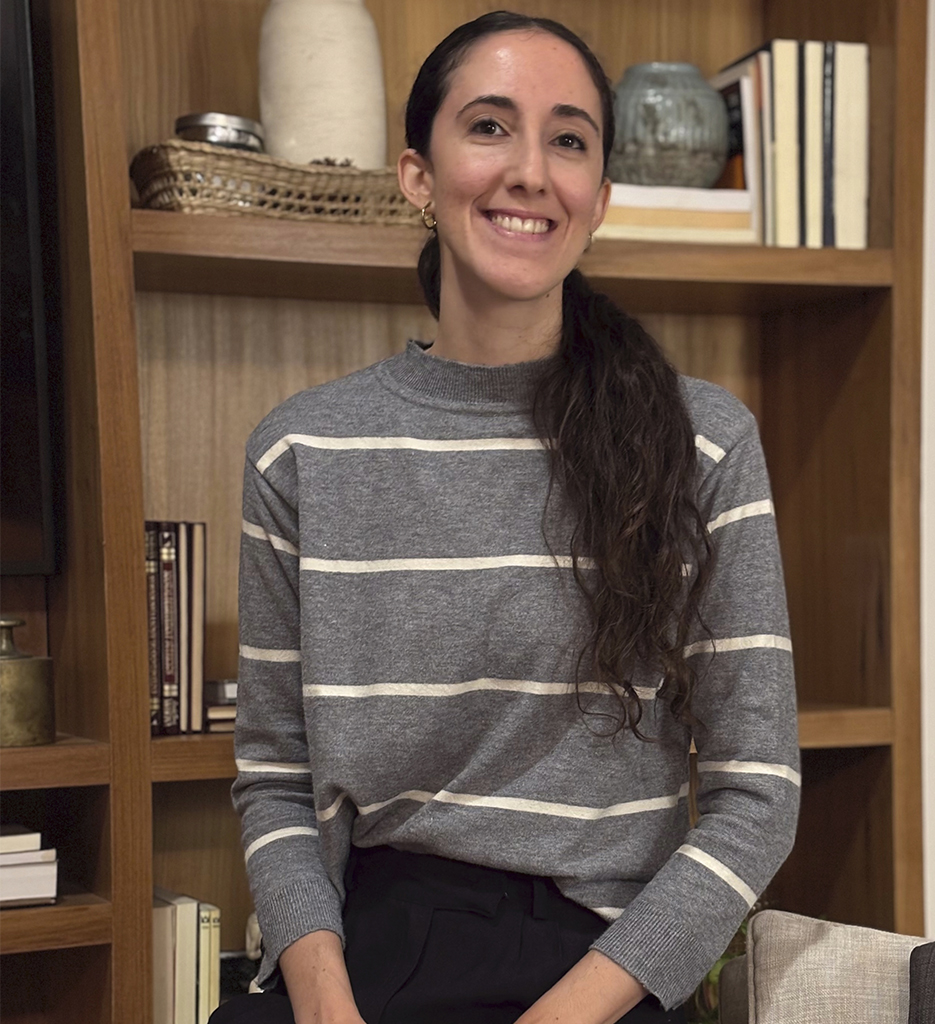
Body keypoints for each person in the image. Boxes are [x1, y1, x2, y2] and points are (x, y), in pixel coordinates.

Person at [214, 11, 800, 1024]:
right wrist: (324, 1003)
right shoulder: (301, 451)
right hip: (368, 955)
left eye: (568, 139)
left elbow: (758, 798)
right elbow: (275, 780)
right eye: (489, 126)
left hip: (603, 969)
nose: (530, 171)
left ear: (598, 197)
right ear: (417, 175)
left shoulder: (704, 444)